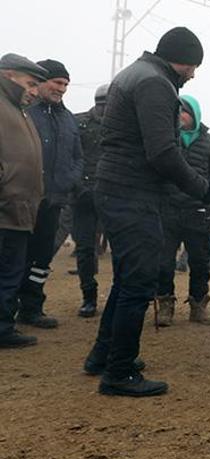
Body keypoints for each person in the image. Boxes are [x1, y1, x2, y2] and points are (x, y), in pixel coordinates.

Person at [83, 27, 210, 396]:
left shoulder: (135, 74)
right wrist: (202, 188)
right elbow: (162, 152)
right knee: (138, 282)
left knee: (128, 277)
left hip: (118, 189)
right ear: (181, 58)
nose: (193, 74)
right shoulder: (155, 83)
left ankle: (104, 355)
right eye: (194, 65)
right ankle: (119, 371)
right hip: (132, 193)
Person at [15, 59, 83, 329]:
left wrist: (69, 180)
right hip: (22, 200)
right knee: (16, 256)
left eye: (66, 84)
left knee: (42, 258)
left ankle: (32, 308)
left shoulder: (68, 119)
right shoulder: (23, 112)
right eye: (58, 82)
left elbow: (78, 156)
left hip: (54, 201)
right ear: (41, 82)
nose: (62, 88)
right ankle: (8, 309)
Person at [155, 95, 210, 327]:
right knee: (164, 262)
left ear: (194, 114)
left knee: (200, 262)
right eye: (176, 112)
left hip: (198, 211)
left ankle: (198, 306)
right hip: (167, 210)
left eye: (183, 112)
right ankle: (165, 304)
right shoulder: (165, 140)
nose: (179, 116)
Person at [0, 53, 48, 348]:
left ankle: (4, 325)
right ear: (8, 75)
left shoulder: (18, 110)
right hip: (4, 210)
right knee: (5, 273)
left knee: (11, 272)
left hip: (19, 211)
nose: (34, 91)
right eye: (30, 84)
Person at [72, 83, 110, 317]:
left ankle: (119, 297)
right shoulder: (78, 123)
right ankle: (89, 296)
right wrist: (79, 187)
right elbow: (71, 157)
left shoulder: (125, 124)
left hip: (114, 196)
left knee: (123, 251)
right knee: (85, 249)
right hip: (84, 197)